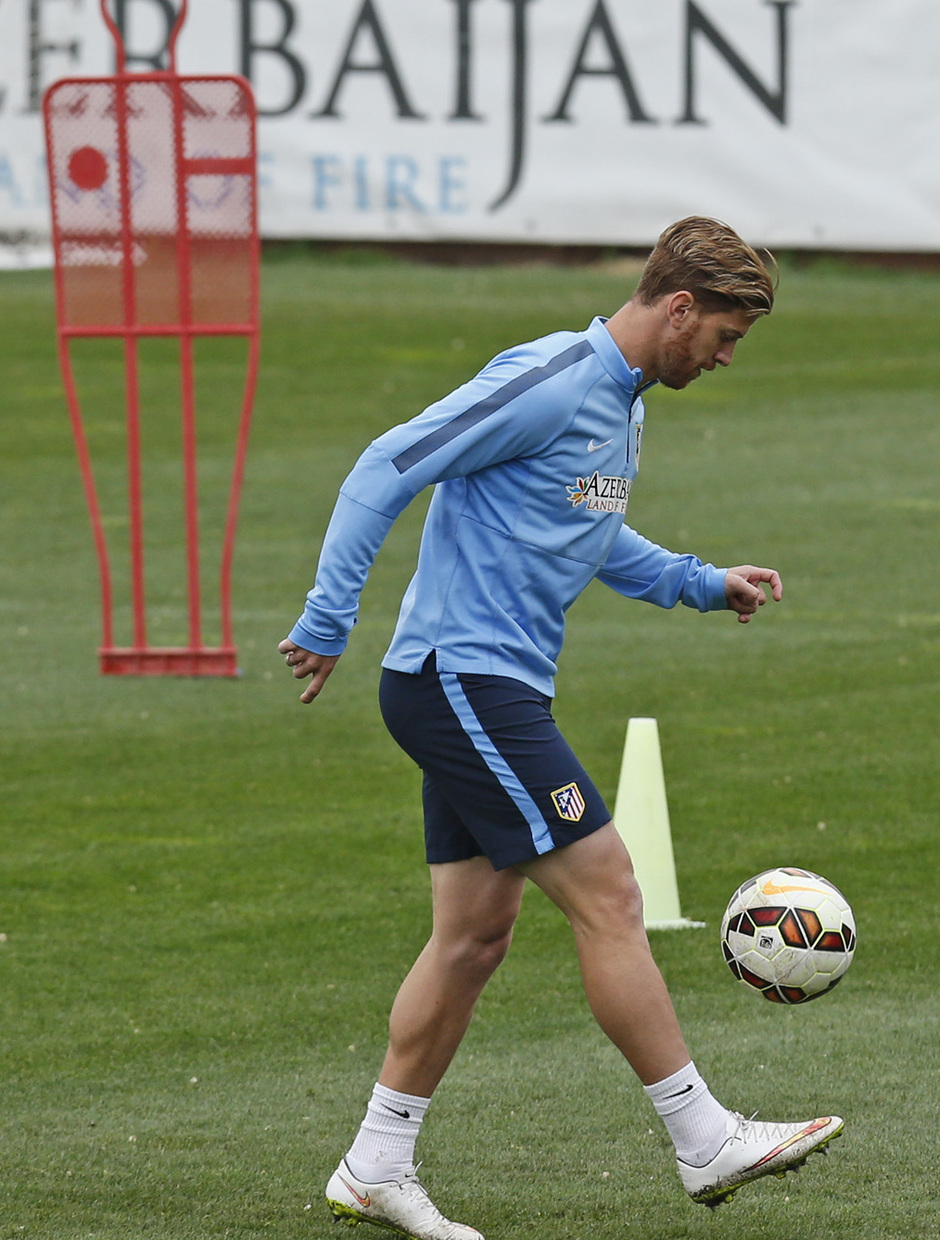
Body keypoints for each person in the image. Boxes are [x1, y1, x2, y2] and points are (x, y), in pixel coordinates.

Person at [279, 217, 843, 1240]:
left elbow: (586, 530)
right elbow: (387, 462)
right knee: (611, 886)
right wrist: (327, 618)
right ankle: (700, 1134)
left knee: (472, 937)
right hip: (461, 680)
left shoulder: (620, 406)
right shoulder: (548, 378)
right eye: (722, 336)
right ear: (677, 308)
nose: (722, 358)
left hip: (487, 689)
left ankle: (376, 1162)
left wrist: (698, 584)